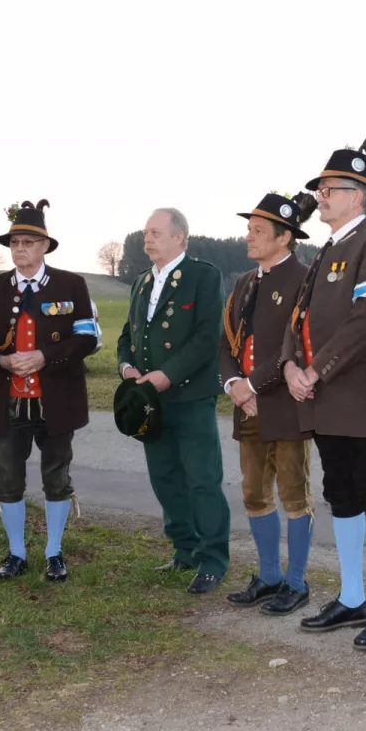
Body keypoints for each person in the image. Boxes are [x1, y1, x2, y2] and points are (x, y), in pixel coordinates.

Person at [282, 126, 366, 650]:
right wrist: (291, 364)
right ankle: (353, 597)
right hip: (324, 398)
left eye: (328, 189)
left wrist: (316, 370)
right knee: (341, 496)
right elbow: (299, 317)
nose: (320, 197)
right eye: (320, 189)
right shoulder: (324, 252)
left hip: (362, 399)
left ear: (357, 194)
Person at [0, 199, 97, 582]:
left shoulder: (70, 284)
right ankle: (15, 553)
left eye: (28, 242)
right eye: (14, 243)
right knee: (7, 477)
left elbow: (87, 338)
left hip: (56, 398)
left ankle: (54, 552)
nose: (20, 249)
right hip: (9, 400)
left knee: (56, 476)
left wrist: (45, 356)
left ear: (45, 246)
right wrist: (3, 362)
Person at [118, 208, 231, 595]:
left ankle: (213, 559)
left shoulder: (203, 276)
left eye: (155, 232)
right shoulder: (142, 282)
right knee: (165, 478)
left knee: (202, 480)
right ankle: (185, 549)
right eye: (145, 232)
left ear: (179, 237)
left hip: (189, 396)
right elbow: (126, 335)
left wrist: (167, 375)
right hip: (151, 401)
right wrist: (126, 367)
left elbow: (206, 337)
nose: (147, 238)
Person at [220, 192, 317, 615]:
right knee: (254, 493)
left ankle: (296, 582)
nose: (249, 237)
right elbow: (225, 341)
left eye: (258, 231)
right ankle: (269, 576)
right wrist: (234, 385)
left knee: (295, 493)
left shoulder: (304, 279)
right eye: (249, 229)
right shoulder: (244, 282)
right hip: (246, 401)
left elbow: (293, 346)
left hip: (286, 402)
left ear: (284, 238)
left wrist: (253, 386)